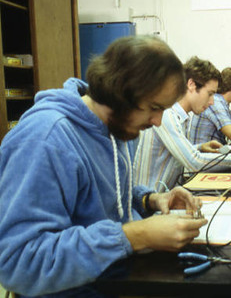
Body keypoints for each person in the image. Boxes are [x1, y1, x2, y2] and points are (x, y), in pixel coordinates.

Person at [0, 35, 208, 297]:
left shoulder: (111, 126)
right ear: (119, 92)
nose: (157, 121)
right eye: (154, 108)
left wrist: (150, 200)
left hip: (111, 282)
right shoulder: (45, 139)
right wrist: (134, 236)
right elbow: (19, 264)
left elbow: (98, 196)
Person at [133, 57, 231, 191]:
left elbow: (171, 151)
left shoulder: (181, 117)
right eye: (210, 94)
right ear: (191, 85)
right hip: (150, 204)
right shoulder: (167, 114)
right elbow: (194, 162)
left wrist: (200, 147)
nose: (212, 102)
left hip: (167, 197)